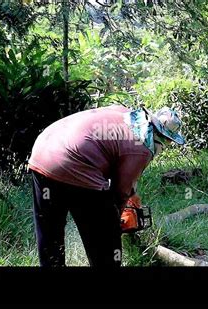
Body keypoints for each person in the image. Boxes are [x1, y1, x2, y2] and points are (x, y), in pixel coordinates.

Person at [28, 104, 185, 267]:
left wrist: (133, 194)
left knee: (49, 232)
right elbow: (120, 192)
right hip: (75, 162)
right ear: (164, 138)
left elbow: (115, 156)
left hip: (43, 152)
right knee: (106, 242)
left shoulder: (124, 113)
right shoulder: (142, 148)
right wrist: (116, 219)